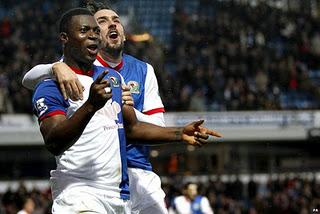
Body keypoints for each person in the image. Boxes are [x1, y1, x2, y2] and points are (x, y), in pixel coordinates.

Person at [31, 7, 221, 214]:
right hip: (79, 192)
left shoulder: (115, 79)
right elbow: (54, 142)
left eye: (95, 31)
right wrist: (90, 105)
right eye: (85, 31)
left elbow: (132, 128)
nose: (93, 36)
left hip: (118, 193)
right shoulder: (50, 85)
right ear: (65, 38)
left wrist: (179, 133)